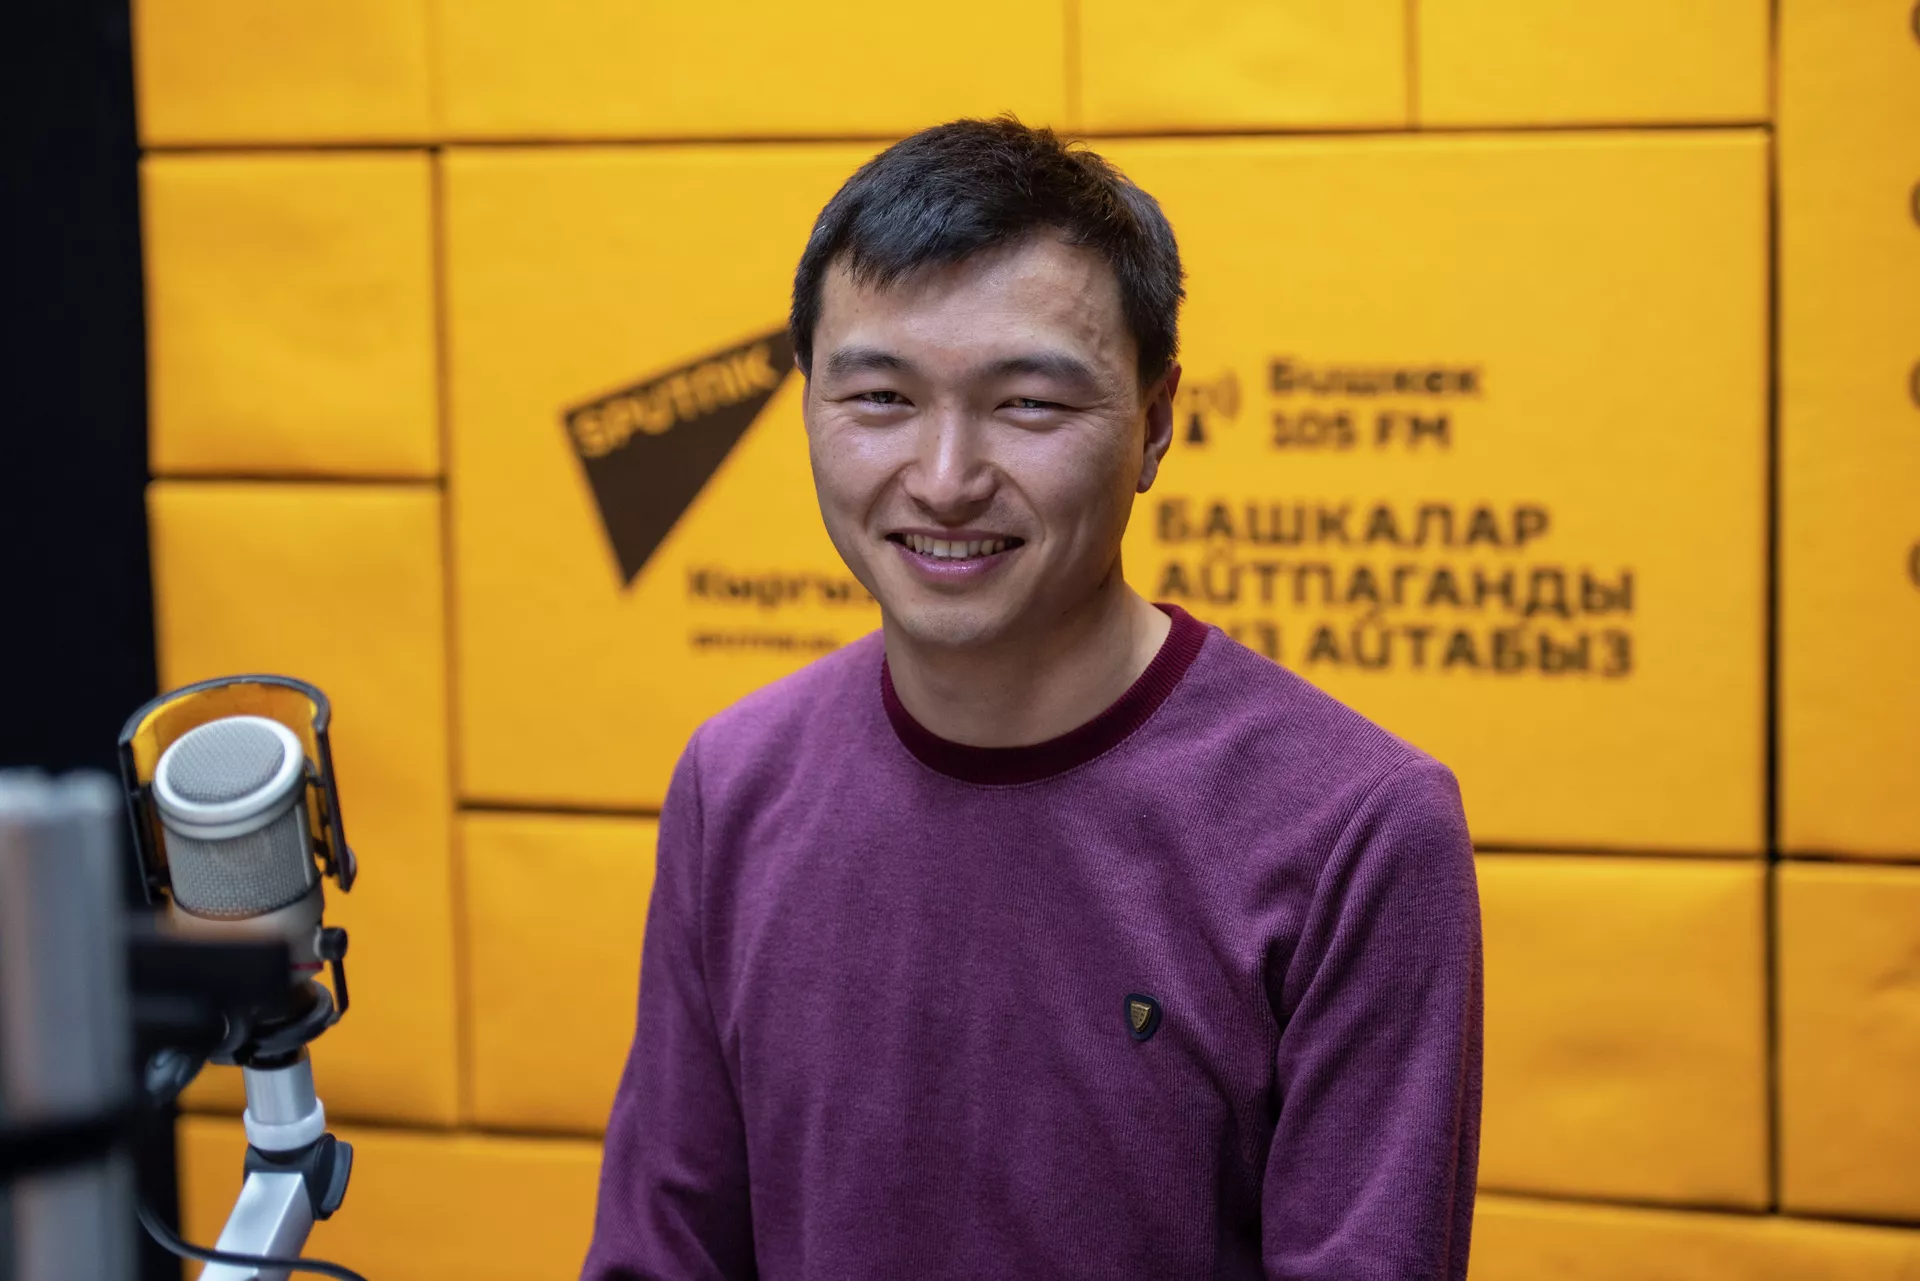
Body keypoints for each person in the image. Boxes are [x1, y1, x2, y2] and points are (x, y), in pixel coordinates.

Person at [582, 117, 1481, 1281]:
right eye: (881, 399)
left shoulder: (1359, 831)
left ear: (1156, 423)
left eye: (1029, 406)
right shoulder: (735, 782)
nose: (945, 480)